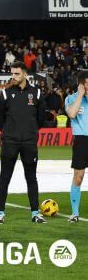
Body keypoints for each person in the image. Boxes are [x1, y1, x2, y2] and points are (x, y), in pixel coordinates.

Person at [0, 61, 47, 224]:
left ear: (25, 74)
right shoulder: (5, 93)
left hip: (29, 142)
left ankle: (35, 213)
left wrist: (30, 132)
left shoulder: (37, 93)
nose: (14, 76)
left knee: (31, 177)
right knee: (5, 177)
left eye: (17, 73)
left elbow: (41, 119)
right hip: (10, 141)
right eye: (12, 73)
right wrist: (9, 133)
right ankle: (0, 213)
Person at [64, 71, 88, 223]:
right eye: (86, 84)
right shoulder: (71, 98)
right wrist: (80, 96)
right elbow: (72, 114)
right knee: (78, 177)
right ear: (80, 84)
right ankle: (75, 213)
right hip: (81, 140)